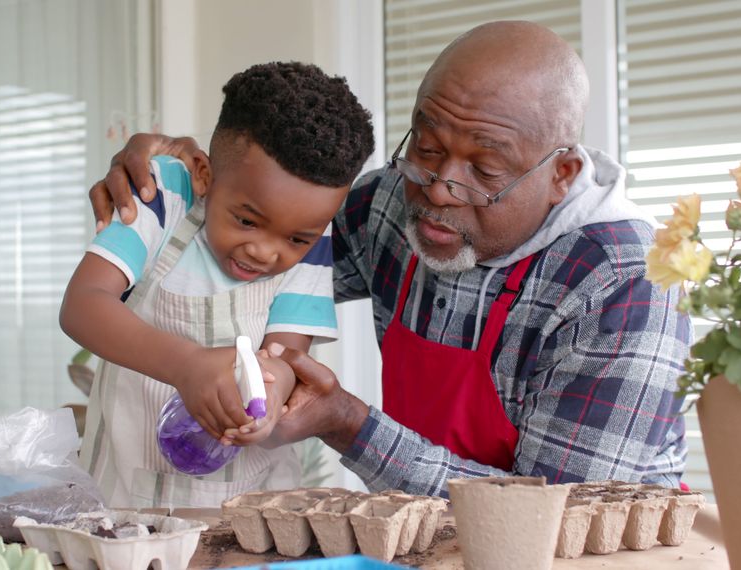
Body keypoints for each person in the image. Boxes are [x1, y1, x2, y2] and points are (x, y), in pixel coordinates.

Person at [89, 21, 691, 496]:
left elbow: (565, 522)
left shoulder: (624, 283)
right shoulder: (389, 205)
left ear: (560, 174)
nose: (439, 189)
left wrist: (349, 424)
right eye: (426, 148)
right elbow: (257, 223)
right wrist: (169, 177)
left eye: (483, 171)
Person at [62, 61, 375, 508]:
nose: (266, 252)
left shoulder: (315, 242)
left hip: (254, 509)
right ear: (206, 176)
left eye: (295, 239)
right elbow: (82, 305)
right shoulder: (165, 195)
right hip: (125, 502)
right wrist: (186, 364)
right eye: (247, 220)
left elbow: (288, 358)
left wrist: (272, 390)